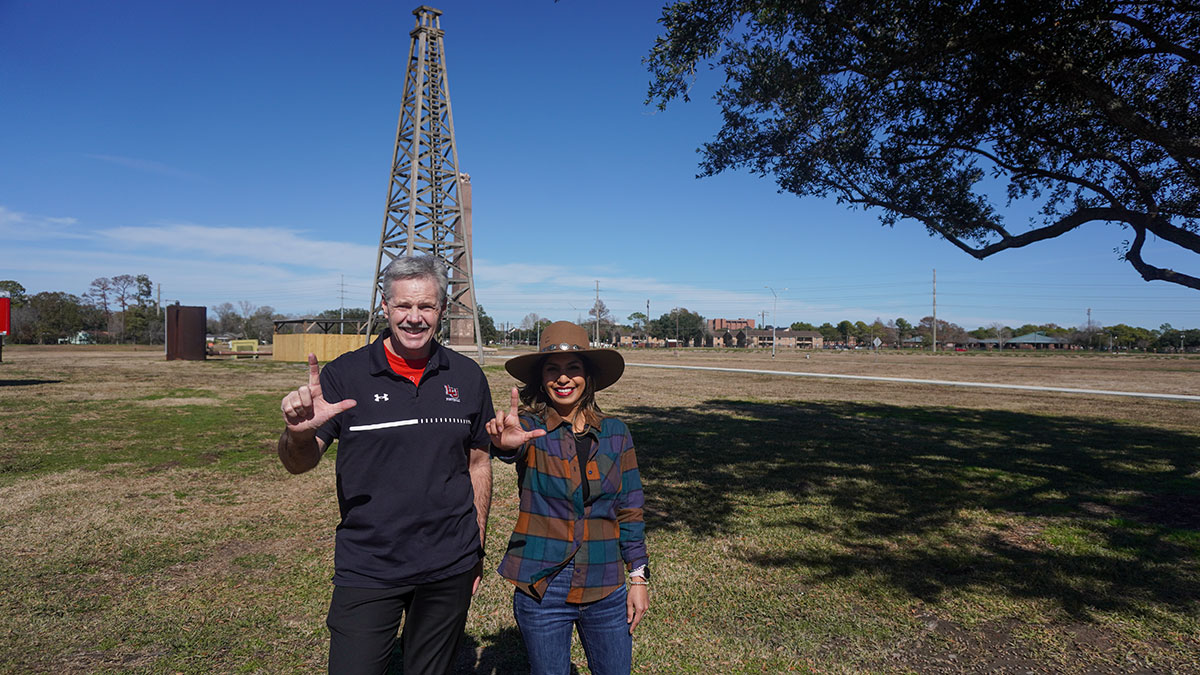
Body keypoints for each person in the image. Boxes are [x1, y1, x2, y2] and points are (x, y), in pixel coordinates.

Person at [277, 254, 495, 675]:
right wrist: (299, 433)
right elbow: (297, 464)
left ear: (443, 310)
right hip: (370, 565)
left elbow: (479, 464)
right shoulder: (345, 375)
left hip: (450, 563)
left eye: (426, 307)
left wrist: (476, 549)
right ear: (385, 307)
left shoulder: (467, 377)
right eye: (403, 306)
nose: (414, 318)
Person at [486, 321, 649, 675]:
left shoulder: (616, 433)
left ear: (587, 376)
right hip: (543, 586)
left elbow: (630, 510)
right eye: (553, 370)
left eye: (573, 368)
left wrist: (638, 579)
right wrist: (503, 445)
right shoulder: (529, 430)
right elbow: (508, 448)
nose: (563, 379)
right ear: (541, 379)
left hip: (605, 583)